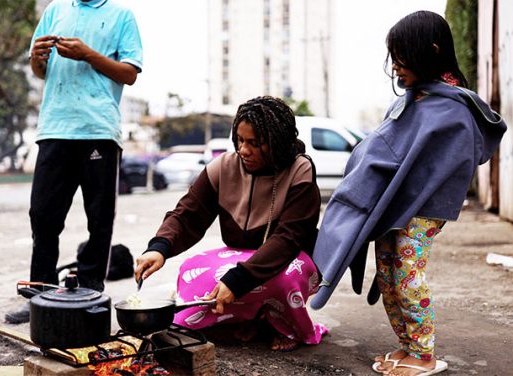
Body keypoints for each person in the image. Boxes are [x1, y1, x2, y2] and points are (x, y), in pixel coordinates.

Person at [310, 11, 507, 376]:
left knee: (405, 268)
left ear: (430, 52)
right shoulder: (411, 100)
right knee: (385, 267)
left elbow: (452, 165)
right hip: (397, 204)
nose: (396, 67)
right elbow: (387, 148)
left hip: (427, 207)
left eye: (402, 57)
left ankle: (425, 353)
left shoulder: (454, 108)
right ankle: (408, 346)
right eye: (394, 57)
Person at [135, 96, 328, 351]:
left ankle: (285, 327)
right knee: (192, 270)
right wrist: (159, 247)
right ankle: (244, 321)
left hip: (290, 257)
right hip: (241, 257)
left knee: (282, 280)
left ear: (277, 143)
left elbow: (288, 238)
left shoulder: (299, 169)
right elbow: (187, 213)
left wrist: (237, 280)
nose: (243, 150)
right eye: (240, 140)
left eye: (255, 143)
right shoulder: (223, 166)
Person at [5, 0, 143, 324]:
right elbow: (42, 71)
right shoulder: (55, 11)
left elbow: (130, 73)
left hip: (98, 130)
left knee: (99, 220)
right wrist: (37, 60)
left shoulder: (121, 16)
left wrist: (88, 54)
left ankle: (92, 298)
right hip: (55, 127)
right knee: (42, 215)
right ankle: (39, 295)